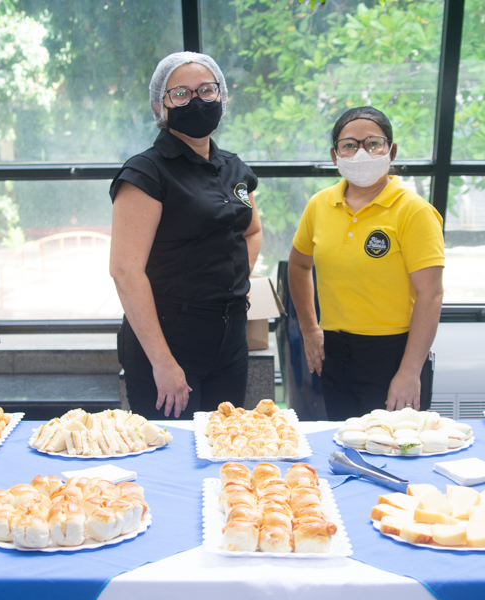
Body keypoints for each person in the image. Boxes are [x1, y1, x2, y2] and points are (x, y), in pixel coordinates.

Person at [109, 52, 262, 419]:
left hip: (229, 337)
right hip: (168, 338)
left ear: (221, 96)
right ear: (160, 104)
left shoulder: (234, 168)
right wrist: (162, 362)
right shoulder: (146, 173)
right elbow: (125, 272)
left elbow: (252, 231)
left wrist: (229, 281)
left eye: (206, 90)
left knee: (222, 443)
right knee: (168, 453)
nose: (196, 100)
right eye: (181, 93)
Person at [287, 107, 445, 420]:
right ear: (335, 156)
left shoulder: (413, 211)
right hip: (335, 352)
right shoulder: (319, 205)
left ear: (391, 150)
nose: (361, 153)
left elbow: (431, 294)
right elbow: (298, 266)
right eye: (349, 145)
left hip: (395, 354)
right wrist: (309, 329)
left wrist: (410, 372)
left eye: (373, 143)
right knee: (345, 444)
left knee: (396, 451)